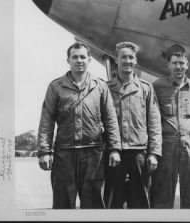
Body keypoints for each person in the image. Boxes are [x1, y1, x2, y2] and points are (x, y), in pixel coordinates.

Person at [37, 42, 121, 209]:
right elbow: (46, 120)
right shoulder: (56, 87)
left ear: (89, 60)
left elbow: (110, 119)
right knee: (63, 204)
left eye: (83, 57)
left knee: (93, 205)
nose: (79, 60)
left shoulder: (100, 86)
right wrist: (44, 151)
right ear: (68, 60)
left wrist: (115, 149)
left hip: (93, 154)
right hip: (64, 154)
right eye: (75, 57)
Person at [104, 41, 162, 208]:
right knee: (112, 201)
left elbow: (154, 122)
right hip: (114, 153)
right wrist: (111, 148)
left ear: (136, 61)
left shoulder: (146, 88)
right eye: (123, 57)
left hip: (139, 153)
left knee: (140, 201)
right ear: (117, 60)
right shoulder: (106, 89)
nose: (127, 61)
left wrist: (154, 153)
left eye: (131, 57)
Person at [151, 44, 190, 208]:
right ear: (168, 65)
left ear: (187, 65)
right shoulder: (158, 86)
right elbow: (152, 114)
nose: (178, 66)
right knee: (161, 194)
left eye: (182, 63)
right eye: (175, 63)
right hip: (166, 145)